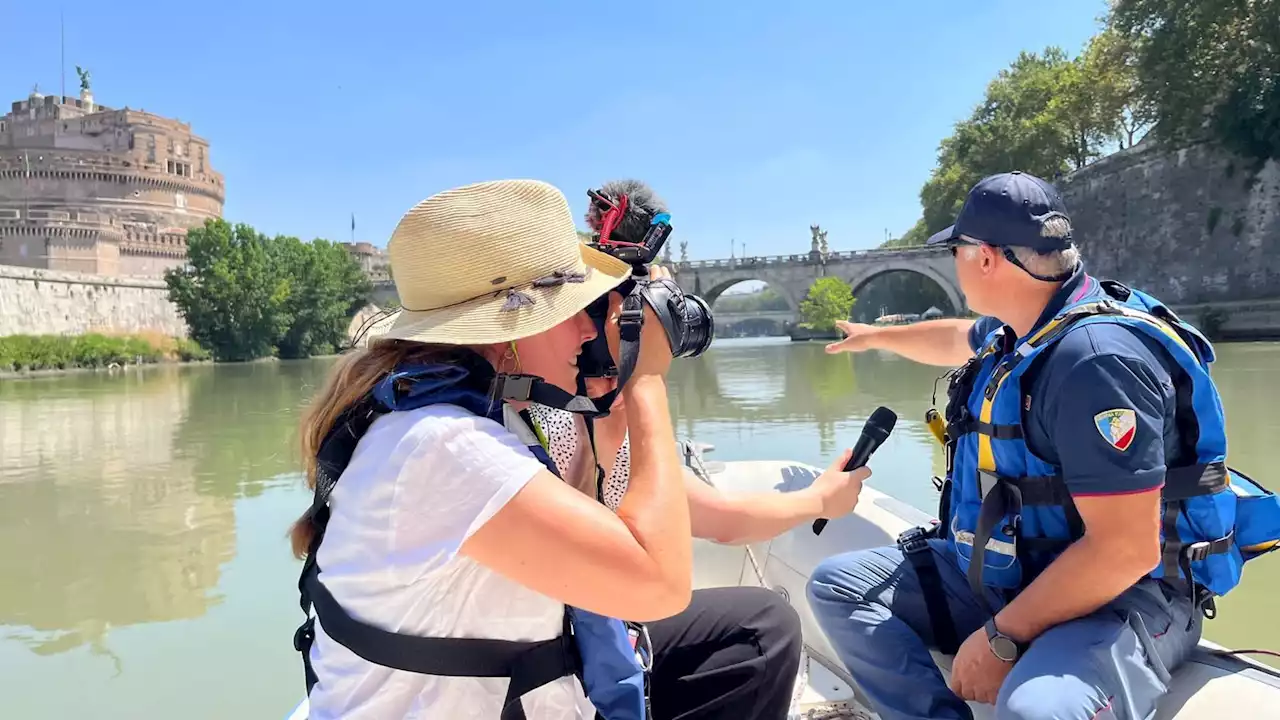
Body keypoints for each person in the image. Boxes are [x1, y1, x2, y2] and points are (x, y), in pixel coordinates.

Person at [289, 179, 869, 720]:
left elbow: (621, 527)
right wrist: (644, 382)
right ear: (505, 330)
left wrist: (608, 425)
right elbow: (659, 584)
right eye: (572, 313)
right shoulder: (446, 446)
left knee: (757, 630)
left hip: (520, 671)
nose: (592, 332)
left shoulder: (469, 412)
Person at [806, 171, 1280, 720]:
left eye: (957, 249)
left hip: (1126, 593)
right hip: (1017, 566)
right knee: (841, 587)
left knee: (1038, 709)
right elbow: (956, 337)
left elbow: (1125, 552)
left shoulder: (1096, 363)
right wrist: (876, 336)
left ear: (984, 258)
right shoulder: (1024, 325)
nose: (954, 262)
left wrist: (1002, 638)